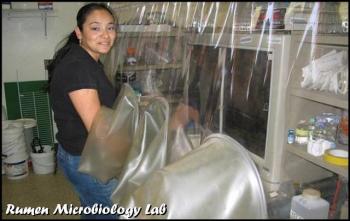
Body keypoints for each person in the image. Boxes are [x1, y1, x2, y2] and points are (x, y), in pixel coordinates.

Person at [47, 3, 118, 219]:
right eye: (95, 28)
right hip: (88, 160)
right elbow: (98, 130)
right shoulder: (79, 67)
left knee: (93, 210)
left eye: (111, 27)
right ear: (79, 32)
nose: (105, 35)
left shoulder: (87, 60)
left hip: (79, 155)